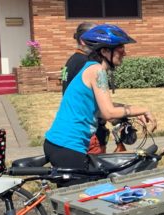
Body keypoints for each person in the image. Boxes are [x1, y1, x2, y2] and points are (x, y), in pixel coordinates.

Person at [43, 23, 157, 172]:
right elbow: (108, 112)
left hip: (60, 143)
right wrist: (144, 109)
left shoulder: (90, 67)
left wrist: (134, 112)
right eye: (120, 48)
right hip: (68, 145)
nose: (124, 53)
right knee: (88, 192)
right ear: (104, 51)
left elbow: (102, 109)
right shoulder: (97, 71)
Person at [60, 21, 108, 154]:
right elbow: (98, 104)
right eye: (95, 39)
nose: (100, 43)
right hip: (86, 131)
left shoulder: (73, 60)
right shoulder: (86, 63)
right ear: (83, 40)